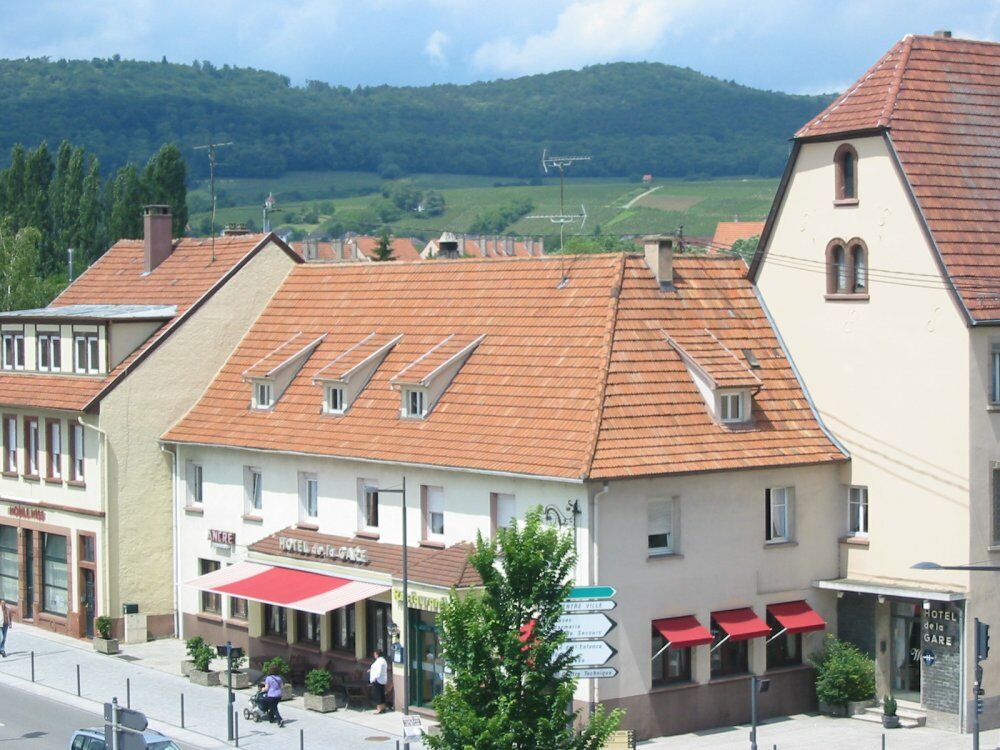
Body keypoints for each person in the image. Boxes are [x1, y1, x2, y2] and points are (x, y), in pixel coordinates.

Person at [369, 648, 388, 714]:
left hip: (378, 680)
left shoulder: (379, 661)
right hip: (382, 679)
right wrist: (371, 670)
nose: (374, 655)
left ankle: (379, 709)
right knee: (381, 694)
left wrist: (375, 678)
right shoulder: (383, 660)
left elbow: (378, 671)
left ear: (377, 654)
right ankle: (383, 708)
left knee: (378, 695)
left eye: (375, 654)